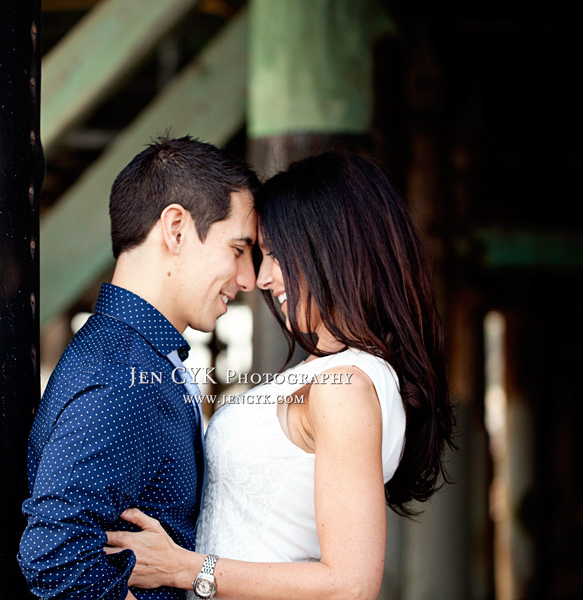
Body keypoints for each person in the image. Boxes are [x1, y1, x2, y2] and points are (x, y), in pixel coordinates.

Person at [105, 151, 455, 600]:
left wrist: (184, 569)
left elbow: (351, 586)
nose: (262, 277)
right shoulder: (331, 372)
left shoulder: (346, 385)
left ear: (331, 247)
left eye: (274, 253)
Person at [18, 136, 261, 599]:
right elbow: (55, 555)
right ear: (176, 229)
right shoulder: (125, 375)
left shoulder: (135, 356)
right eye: (237, 249)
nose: (248, 278)